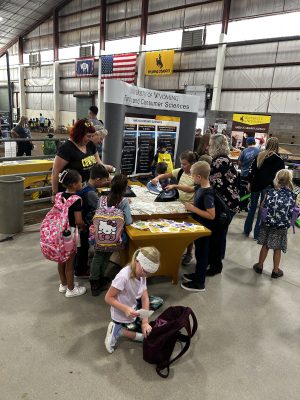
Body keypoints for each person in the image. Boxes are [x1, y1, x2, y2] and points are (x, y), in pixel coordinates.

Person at [104, 246, 160, 353]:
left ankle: (130, 327)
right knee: (142, 335)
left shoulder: (142, 275)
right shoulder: (123, 276)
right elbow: (108, 298)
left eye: (149, 273)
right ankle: (118, 330)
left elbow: (145, 297)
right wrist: (125, 309)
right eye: (145, 271)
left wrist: (145, 321)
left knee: (158, 302)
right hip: (122, 312)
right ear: (137, 261)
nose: (146, 275)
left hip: (133, 306)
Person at [151, 150, 198, 265]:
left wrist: (175, 186)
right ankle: (175, 251)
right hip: (179, 205)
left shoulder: (197, 175)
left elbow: (192, 189)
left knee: (188, 232)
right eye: (181, 163)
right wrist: (157, 178)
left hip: (191, 207)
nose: (182, 166)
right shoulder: (180, 171)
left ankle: (188, 253)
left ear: (192, 163)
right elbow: (167, 174)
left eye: (185, 164)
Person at [89, 174, 133, 296]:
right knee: (106, 255)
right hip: (114, 237)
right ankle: (101, 277)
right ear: (124, 189)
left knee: (98, 256)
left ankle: (94, 281)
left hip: (99, 235)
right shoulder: (123, 202)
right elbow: (128, 221)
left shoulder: (102, 199)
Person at [51, 119, 114, 197]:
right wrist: (55, 193)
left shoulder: (90, 145)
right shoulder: (66, 148)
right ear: (79, 134)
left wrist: (108, 177)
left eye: (91, 136)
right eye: (88, 136)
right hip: (70, 193)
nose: (90, 138)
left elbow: (99, 164)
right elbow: (55, 172)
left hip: (85, 190)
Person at [253, 170, 296, 279]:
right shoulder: (293, 195)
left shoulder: (270, 192)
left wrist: (263, 219)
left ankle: (259, 265)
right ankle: (276, 271)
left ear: (277, 179)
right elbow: (294, 211)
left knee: (266, 245)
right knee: (278, 248)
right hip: (281, 226)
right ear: (289, 181)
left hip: (268, 224)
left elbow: (262, 207)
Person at [181, 161, 215, 292]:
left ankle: (199, 283)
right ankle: (197, 275)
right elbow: (190, 189)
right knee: (199, 253)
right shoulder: (200, 187)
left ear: (199, 177)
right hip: (199, 226)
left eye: (192, 175)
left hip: (205, 228)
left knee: (202, 255)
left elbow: (211, 215)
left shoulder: (207, 193)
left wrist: (193, 208)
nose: (191, 177)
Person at [244, 137, 285, 239]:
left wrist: (249, 183)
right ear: (277, 146)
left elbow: (251, 170)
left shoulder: (259, 155)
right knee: (262, 211)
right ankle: (257, 235)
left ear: (267, 144)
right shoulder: (279, 160)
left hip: (256, 185)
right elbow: (281, 177)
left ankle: (246, 230)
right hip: (269, 188)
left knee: (252, 209)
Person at [74, 164, 110, 279]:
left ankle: (79, 266)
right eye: (104, 181)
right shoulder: (90, 193)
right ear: (98, 179)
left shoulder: (85, 186)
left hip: (79, 223)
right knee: (82, 248)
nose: (104, 182)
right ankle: (81, 271)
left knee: (81, 248)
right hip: (83, 225)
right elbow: (103, 208)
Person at [209, 133, 240, 262]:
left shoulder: (218, 162)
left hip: (224, 205)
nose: (208, 147)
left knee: (218, 235)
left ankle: (215, 263)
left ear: (215, 146)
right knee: (221, 234)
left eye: (210, 145)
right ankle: (218, 260)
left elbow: (213, 186)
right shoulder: (226, 159)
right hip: (231, 203)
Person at [57, 169, 87, 298]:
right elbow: (78, 220)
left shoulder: (59, 195)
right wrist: (85, 227)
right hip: (70, 232)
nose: (82, 184)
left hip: (59, 231)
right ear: (74, 184)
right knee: (70, 262)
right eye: (80, 182)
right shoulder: (76, 199)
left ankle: (63, 284)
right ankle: (71, 289)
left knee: (61, 259)